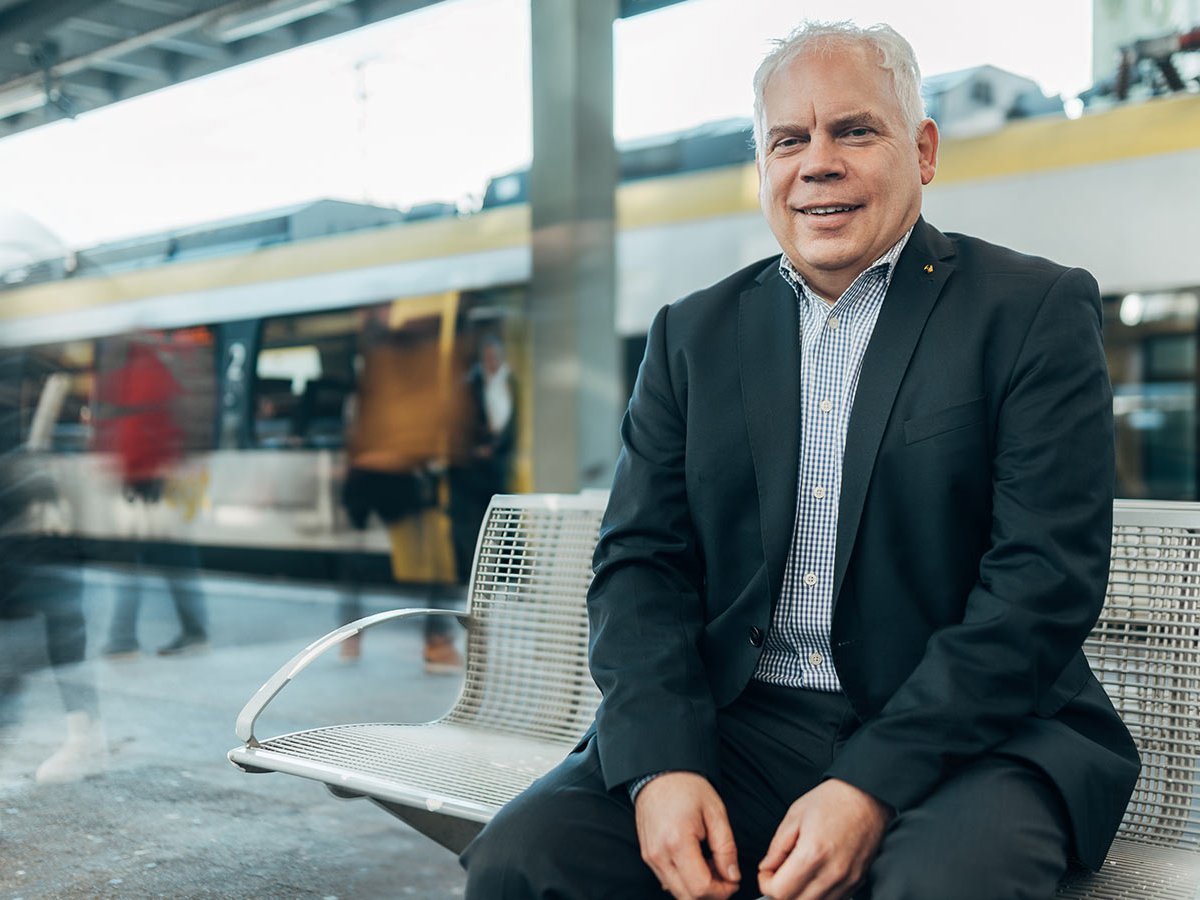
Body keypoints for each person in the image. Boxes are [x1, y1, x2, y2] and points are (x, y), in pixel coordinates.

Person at [461, 20, 1140, 900]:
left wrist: (869, 781)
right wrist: (660, 761)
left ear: (923, 151)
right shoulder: (691, 337)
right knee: (528, 857)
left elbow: (1041, 585)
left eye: (854, 130)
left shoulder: (1032, 310)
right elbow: (640, 566)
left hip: (976, 733)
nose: (817, 162)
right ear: (764, 169)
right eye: (789, 139)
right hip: (741, 725)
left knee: (942, 886)